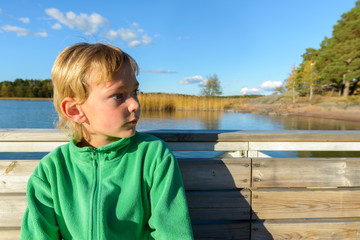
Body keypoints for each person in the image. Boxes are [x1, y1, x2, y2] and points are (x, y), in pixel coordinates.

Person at [20, 42, 194, 240]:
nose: (134, 104)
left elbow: (172, 234)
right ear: (75, 111)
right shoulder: (52, 171)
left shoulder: (152, 156)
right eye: (119, 96)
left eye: (135, 92)